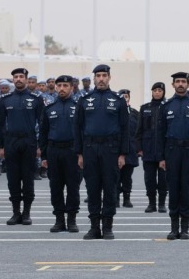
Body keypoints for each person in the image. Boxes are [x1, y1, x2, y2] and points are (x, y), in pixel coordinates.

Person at [74, 64, 129, 240]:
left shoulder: (118, 100)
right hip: (90, 149)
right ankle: (94, 227)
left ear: (109, 78)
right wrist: (79, 153)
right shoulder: (84, 100)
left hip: (110, 149)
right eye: (98, 76)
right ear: (94, 79)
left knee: (110, 188)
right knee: (92, 188)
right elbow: (78, 127)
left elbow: (125, 128)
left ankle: (107, 227)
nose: (101, 79)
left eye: (104, 75)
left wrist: (123, 154)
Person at [158, 72, 189, 241]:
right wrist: (161, 157)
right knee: (173, 190)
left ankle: (184, 229)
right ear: (173, 85)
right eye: (177, 81)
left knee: (186, 190)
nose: (180, 84)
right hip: (171, 151)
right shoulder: (166, 106)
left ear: (188, 84)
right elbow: (160, 133)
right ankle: (173, 228)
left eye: (183, 81)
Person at [0, 67, 44, 226]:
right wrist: (0, 146)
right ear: (13, 80)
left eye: (21, 77)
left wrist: (40, 146)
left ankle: (26, 213)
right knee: (13, 179)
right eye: (16, 77)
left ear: (26, 79)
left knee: (28, 178)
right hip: (11, 142)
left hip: (29, 142)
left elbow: (42, 124)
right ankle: (16, 212)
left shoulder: (36, 99)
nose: (18, 79)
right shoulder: (5, 99)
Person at [40, 75, 81, 233]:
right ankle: (59, 219)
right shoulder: (49, 108)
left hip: (72, 151)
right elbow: (43, 133)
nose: (62, 88)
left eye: (65, 85)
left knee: (73, 187)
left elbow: (83, 132)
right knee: (55, 187)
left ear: (72, 87)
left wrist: (81, 154)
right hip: (54, 151)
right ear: (56, 87)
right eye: (59, 86)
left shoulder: (78, 107)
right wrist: (44, 156)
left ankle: (71, 219)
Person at [137, 82, 168, 213]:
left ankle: (161, 203)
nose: (157, 92)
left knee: (163, 179)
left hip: (163, 151)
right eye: (155, 90)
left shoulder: (168, 108)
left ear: (163, 92)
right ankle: (151, 203)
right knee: (149, 179)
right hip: (148, 150)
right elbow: (139, 130)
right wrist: (139, 148)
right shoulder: (145, 108)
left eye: (160, 90)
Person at [119, 90, 139, 208]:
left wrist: (139, 148)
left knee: (127, 176)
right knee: (115, 176)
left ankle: (126, 198)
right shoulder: (114, 112)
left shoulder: (135, 113)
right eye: (122, 96)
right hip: (116, 150)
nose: (124, 98)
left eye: (126, 96)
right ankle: (115, 198)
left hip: (131, 149)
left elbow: (139, 132)